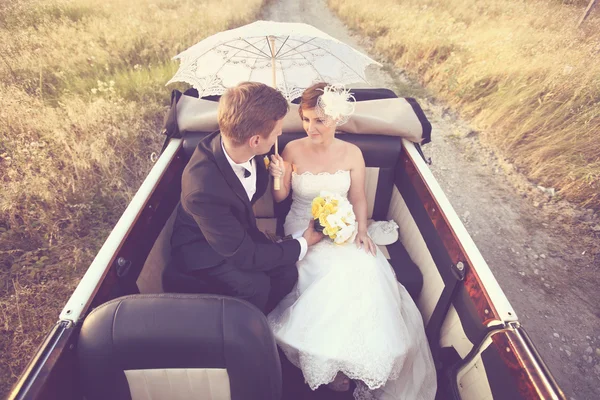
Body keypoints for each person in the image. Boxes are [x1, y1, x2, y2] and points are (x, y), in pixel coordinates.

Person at [266, 83, 437, 399]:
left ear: (335, 119)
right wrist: (278, 174)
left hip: (342, 226)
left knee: (363, 270)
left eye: (319, 120)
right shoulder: (290, 150)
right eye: (305, 120)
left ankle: (354, 360)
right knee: (320, 274)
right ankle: (327, 360)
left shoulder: (352, 153)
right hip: (301, 226)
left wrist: (360, 229)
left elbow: (358, 197)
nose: (311, 127)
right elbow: (281, 196)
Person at [166, 82, 323, 314]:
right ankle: (244, 333)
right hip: (204, 249)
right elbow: (245, 255)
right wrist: (304, 242)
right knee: (254, 287)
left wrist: (275, 174)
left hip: (239, 232)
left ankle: (266, 318)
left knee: (288, 273)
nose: (280, 135)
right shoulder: (202, 189)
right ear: (256, 141)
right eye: (277, 133)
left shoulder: (242, 142)